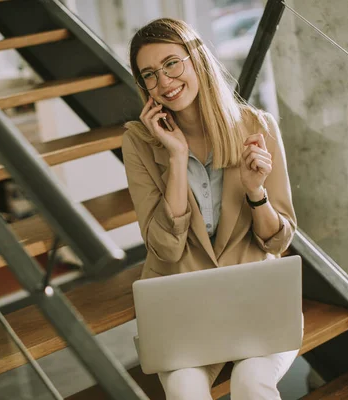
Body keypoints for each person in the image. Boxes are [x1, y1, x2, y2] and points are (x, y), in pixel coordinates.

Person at [122, 18, 298, 400]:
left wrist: (256, 192)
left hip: (254, 299)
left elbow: (278, 239)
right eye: (149, 74)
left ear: (197, 59)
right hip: (181, 304)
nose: (164, 81)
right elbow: (165, 249)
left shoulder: (257, 126)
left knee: (252, 382)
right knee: (185, 390)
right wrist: (177, 157)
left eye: (171, 63)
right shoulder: (138, 141)